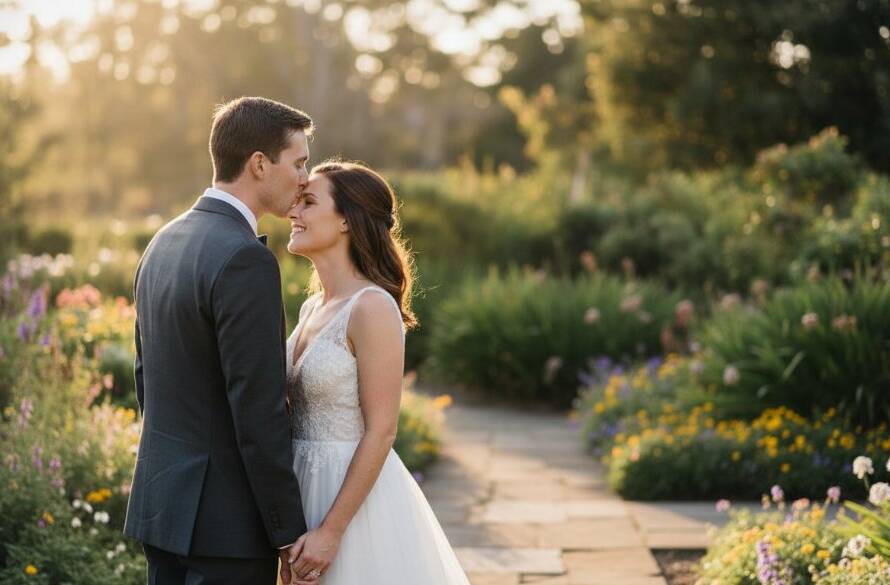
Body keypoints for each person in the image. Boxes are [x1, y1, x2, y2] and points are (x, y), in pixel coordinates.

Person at [124, 97, 319, 585]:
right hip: (225, 531)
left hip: (164, 508)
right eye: (298, 163)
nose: (304, 179)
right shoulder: (243, 258)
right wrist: (286, 531)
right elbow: (259, 410)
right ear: (259, 164)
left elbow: (146, 379)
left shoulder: (162, 242)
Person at [280, 160, 471, 584]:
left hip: (349, 500)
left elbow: (382, 430)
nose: (293, 213)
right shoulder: (312, 307)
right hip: (301, 483)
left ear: (347, 219)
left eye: (308, 202)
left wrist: (331, 532)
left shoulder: (371, 307)